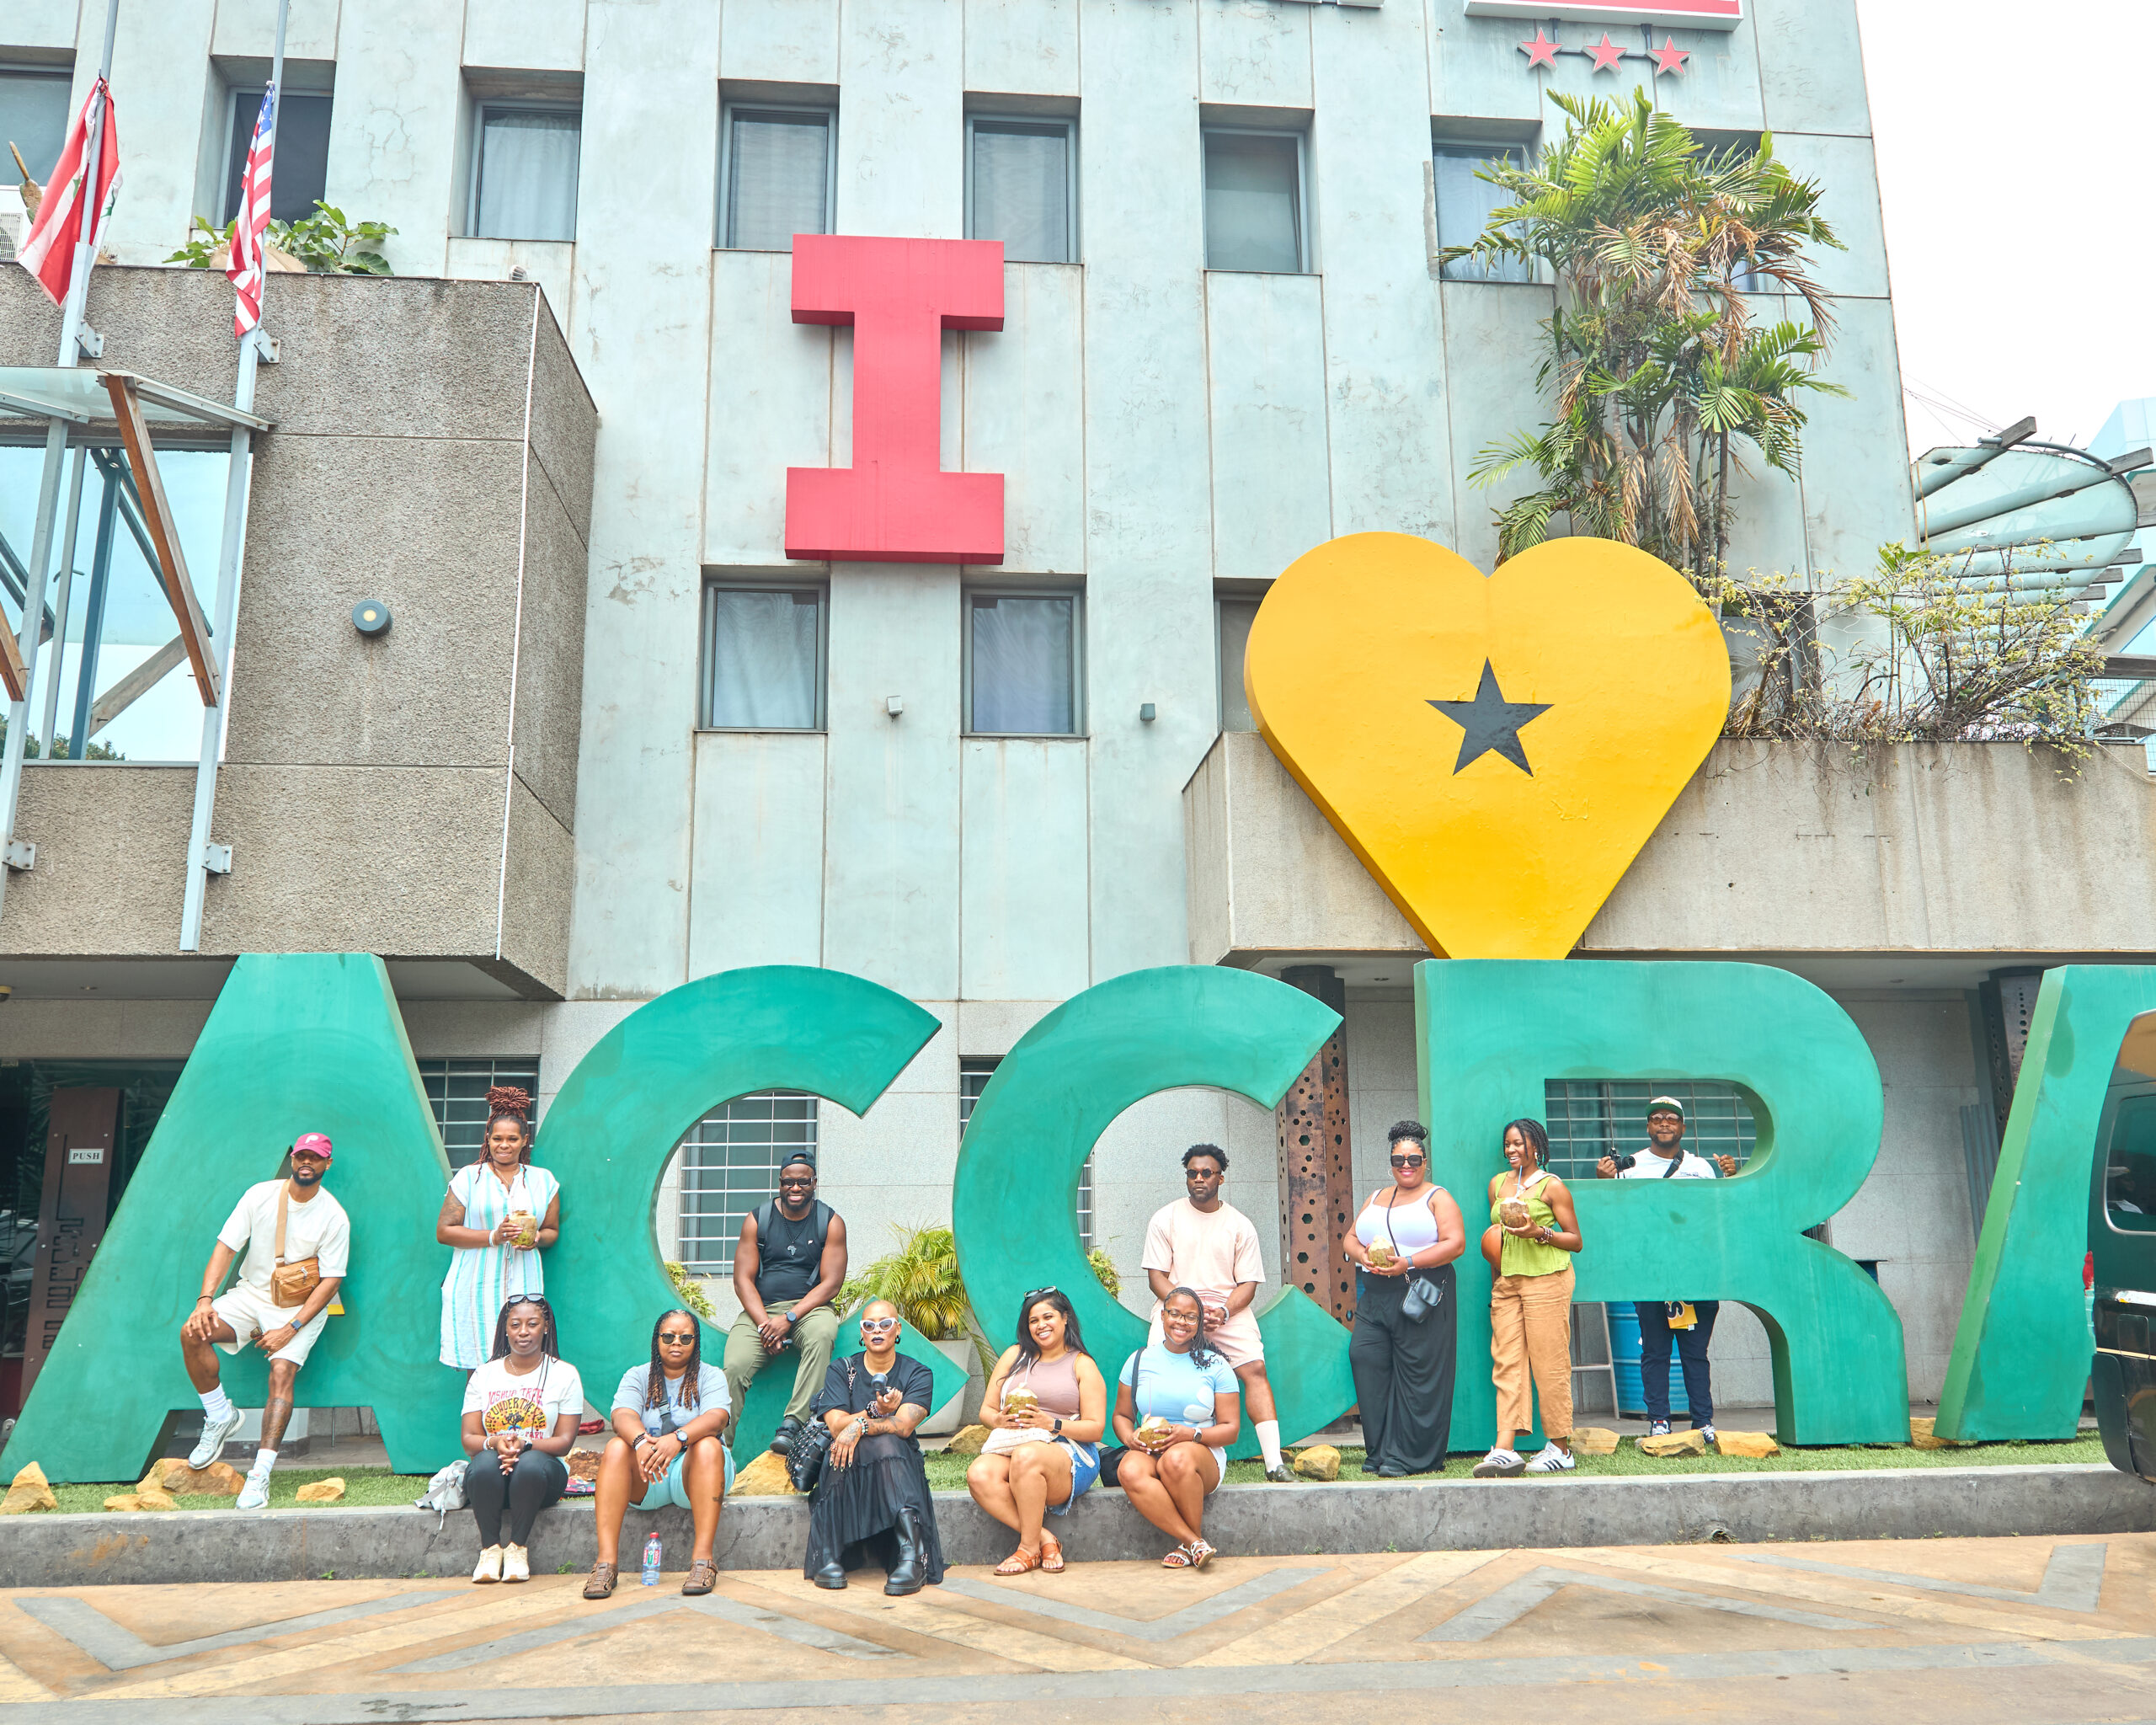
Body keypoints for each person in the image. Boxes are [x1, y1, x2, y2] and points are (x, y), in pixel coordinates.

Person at [180, 1132, 350, 1510]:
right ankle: (221, 1415)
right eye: (301, 1155)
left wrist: (290, 1329)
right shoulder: (260, 1195)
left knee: (282, 1372)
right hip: (252, 1293)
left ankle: (260, 1475)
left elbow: (332, 1280)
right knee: (193, 1332)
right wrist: (205, 1301)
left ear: (327, 1164)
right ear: (292, 1158)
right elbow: (226, 1247)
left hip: (299, 1307)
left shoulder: (333, 1215)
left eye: (316, 1158)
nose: (307, 1162)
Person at [1142, 1145, 1296, 1482]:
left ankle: (1274, 1463)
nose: (1198, 1179)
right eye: (1192, 1173)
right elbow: (1156, 1278)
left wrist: (1224, 1311)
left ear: (1220, 1178)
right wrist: (1188, 1309)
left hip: (1226, 1310)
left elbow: (1248, 1284)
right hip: (1178, 1306)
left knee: (1255, 1368)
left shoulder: (1239, 1225)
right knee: (1154, 1369)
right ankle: (1151, 1448)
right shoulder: (1165, 1217)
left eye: (1206, 1173)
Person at [1596, 1095, 1734, 1445]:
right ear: (1648, 1127)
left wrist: (1732, 1178)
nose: (1664, 1123)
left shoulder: (1702, 1167)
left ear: (1683, 1127)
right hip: (1650, 1271)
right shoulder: (1629, 1165)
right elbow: (1614, 1215)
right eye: (1657, 1118)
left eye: (1672, 1118)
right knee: (1654, 1352)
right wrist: (1603, 1181)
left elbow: (1717, 1217)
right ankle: (1659, 1420)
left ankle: (1703, 1421)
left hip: (1695, 1272)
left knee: (1694, 1353)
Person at [1342, 1120, 1466, 1477]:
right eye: (1399, 1161)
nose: (1406, 1166)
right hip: (1375, 1293)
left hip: (1420, 1291)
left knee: (1418, 1373)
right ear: (1390, 1164)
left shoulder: (1437, 1197)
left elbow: (1455, 1243)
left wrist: (1407, 1262)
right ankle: (1379, 1450)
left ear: (1425, 1161)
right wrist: (1362, 1256)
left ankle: (1410, 1455)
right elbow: (1350, 1237)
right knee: (1364, 1358)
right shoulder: (1376, 1197)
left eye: (1413, 1159)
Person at [584, 1308, 733, 1599]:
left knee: (707, 1444)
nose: (676, 1343)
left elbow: (717, 1418)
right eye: (668, 1336)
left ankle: (703, 1562)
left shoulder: (710, 1375)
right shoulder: (638, 1375)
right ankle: (605, 1565)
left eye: (685, 1337)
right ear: (657, 1340)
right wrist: (640, 1442)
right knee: (616, 1446)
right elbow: (621, 1415)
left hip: (696, 1474)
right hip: (649, 1472)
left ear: (695, 1342)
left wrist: (678, 1439)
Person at [805, 1299, 945, 1594]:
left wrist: (861, 1426)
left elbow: (905, 1426)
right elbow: (835, 1424)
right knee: (842, 1448)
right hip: (847, 1464)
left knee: (888, 1445)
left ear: (898, 1329)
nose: (877, 1330)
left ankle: (911, 1556)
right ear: (862, 1332)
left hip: (895, 1466)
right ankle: (829, 1554)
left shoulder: (918, 1374)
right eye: (869, 1325)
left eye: (885, 1324)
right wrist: (875, 1412)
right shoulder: (842, 1370)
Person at [968, 1286, 1108, 1575]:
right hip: (1015, 1443)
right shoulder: (1014, 1356)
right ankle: (1044, 1538)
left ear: (1065, 1318)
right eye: (1034, 1320)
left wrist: (1051, 1423)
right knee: (979, 1473)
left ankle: (1028, 1549)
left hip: (1068, 1453)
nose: (1041, 1325)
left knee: (1027, 1456)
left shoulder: (1082, 1364)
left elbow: (1096, 1428)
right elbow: (986, 1410)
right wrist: (999, 1421)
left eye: (1048, 1317)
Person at [1475, 1118, 1584, 1480]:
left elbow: (1575, 1241)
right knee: (1506, 1362)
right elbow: (1497, 1236)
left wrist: (1541, 1233)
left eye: (1519, 1143)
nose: (1511, 1150)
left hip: (1547, 1280)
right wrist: (1497, 1283)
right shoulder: (1497, 1185)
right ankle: (1504, 1449)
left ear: (1536, 1146)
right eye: (1507, 1144)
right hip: (1508, 1283)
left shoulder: (1552, 1187)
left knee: (1549, 1362)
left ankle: (1561, 1448)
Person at [726, 1151, 847, 1456]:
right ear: (779, 1183)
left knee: (822, 1335)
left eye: (803, 1182)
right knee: (735, 1364)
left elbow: (831, 1283)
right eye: (788, 1182)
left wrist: (790, 1318)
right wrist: (766, 1325)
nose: (795, 1188)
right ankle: (717, 1442)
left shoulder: (830, 1222)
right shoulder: (758, 1219)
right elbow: (743, 1279)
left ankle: (793, 1423)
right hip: (761, 1311)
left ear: (814, 1183)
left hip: (809, 1310)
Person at [1112, 1286, 1241, 1570]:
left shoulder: (1216, 1365)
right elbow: (1121, 1415)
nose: (1181, 1322)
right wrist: (1129, 1437)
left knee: (1177, 1457)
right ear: (1162, 1316)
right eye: (1175, 1314)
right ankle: (1192, 1542)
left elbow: (1231, 1430)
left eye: (1191, 1317)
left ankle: (1188, 1544)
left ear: (1199, 1323)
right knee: (1128, 1470)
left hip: (1199, 1456)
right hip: (1149, 1450)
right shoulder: (1139, 1360)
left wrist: (1191, 1435)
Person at [461, 1295, 584, 1583]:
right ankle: (490, 1550)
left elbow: (564, 1442)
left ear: (545, 1327)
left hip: (542, 1478)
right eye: (515, 1325)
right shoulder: (484, 1375)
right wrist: (494, 1442)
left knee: (530, 1464)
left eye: (532, 1324)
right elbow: (469, 1439)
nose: (523, 1332)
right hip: (494, 1476)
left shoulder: (564, 1375)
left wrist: (526, 1445)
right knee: (482, 1465)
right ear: (505, 1329)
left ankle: (517, 1548)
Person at [437, 1086, 562, 1370]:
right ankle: (475, 1416)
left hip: (524, 1280)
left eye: (512, 1139)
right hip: (475, 1283)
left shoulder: (543, 1181)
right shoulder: (470, 1178)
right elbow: (444, 1231)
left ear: (524, 1141)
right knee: (480, 1365)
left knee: (524, 1362)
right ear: (488, 1139)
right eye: (497, 1139)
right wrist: (494, 1236)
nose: (504, 1145)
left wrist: (537, 1238)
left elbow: (552, 1232)